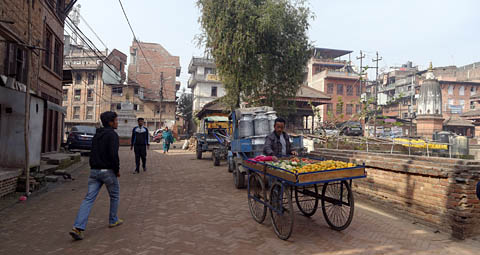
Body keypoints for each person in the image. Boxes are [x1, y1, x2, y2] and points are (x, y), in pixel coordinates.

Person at [69, 111, 123, 241]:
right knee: (114, 195)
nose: (117, 122)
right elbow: (113, 155)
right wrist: (117, 170)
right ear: (110, 122)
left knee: (88, 199)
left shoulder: (97, 135)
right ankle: (113, 219)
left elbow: (92, 152)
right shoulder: (113, 135)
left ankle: (78, 227)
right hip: (108, 171)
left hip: (94, 171)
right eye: (116, 120)